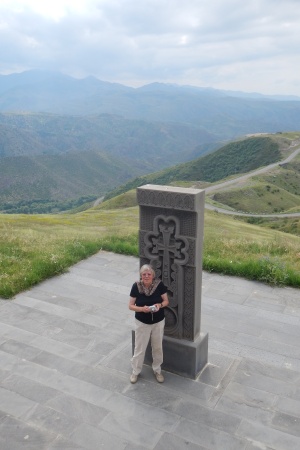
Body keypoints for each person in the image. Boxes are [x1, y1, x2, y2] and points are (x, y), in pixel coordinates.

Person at [129, 264, 169, 384]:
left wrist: (159, 305)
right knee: (140, 348)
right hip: (142, 322)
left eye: (149, 274)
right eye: (144, 274)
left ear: (153, 275)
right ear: (141, 276)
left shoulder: (159, 285)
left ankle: (157, 370)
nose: (146, 276)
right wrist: (142, 309)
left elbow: (166, 301)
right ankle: (135, 371)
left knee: (157, 347)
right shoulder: (136, 286)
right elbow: (130, 306)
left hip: (158, 322)